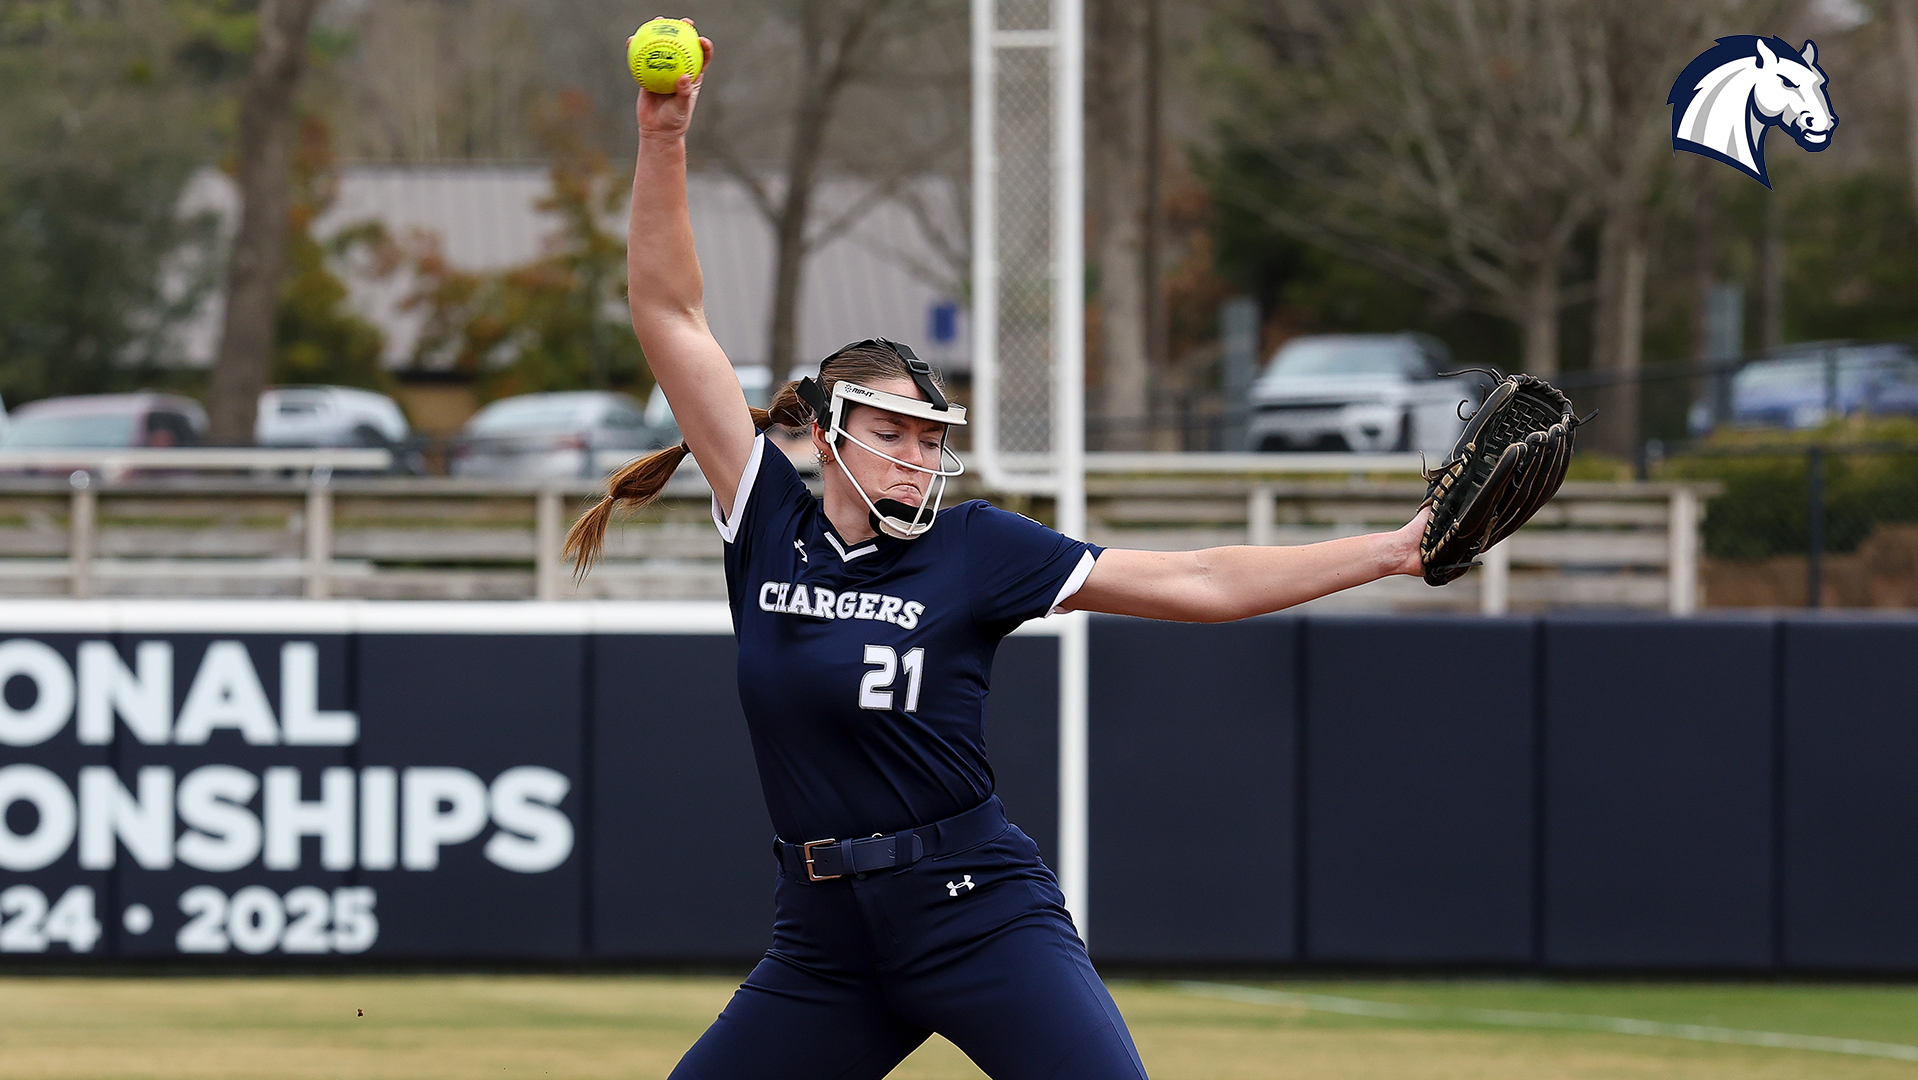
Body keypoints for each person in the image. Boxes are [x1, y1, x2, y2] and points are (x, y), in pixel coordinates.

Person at [566, 24, 1431, 1080]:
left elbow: (1197, 582)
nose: (920, 456)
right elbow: (668, 311)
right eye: (896, 433)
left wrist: (1391, 551)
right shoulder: (767, 520)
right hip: (824, 942)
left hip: (975, 914)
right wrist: (664, 135)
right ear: (830, 432)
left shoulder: (977, 547)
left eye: (933, 438)